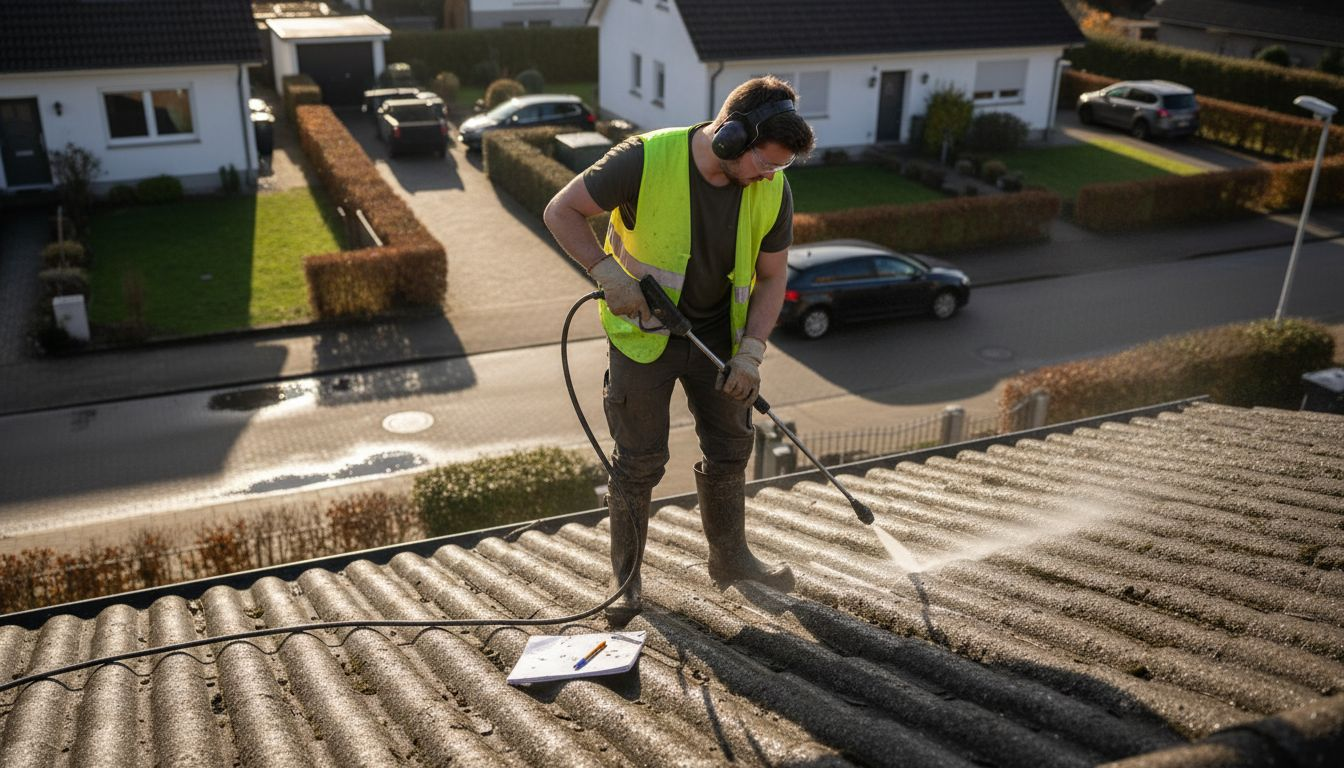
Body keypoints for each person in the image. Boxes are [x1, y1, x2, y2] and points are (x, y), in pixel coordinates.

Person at [544, 76, 816, 624]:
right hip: (643, 337)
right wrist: (605, 273)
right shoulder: (645, 159)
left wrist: (752, 352)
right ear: (731, 137)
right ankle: (626, 581)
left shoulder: (773, 188)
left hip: (719, 342)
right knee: (639, 462)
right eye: (765, 161)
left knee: (731, 449)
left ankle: (731, 560)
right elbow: (560, 210)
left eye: (780, 166)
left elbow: (771, 277)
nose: (770, 175)